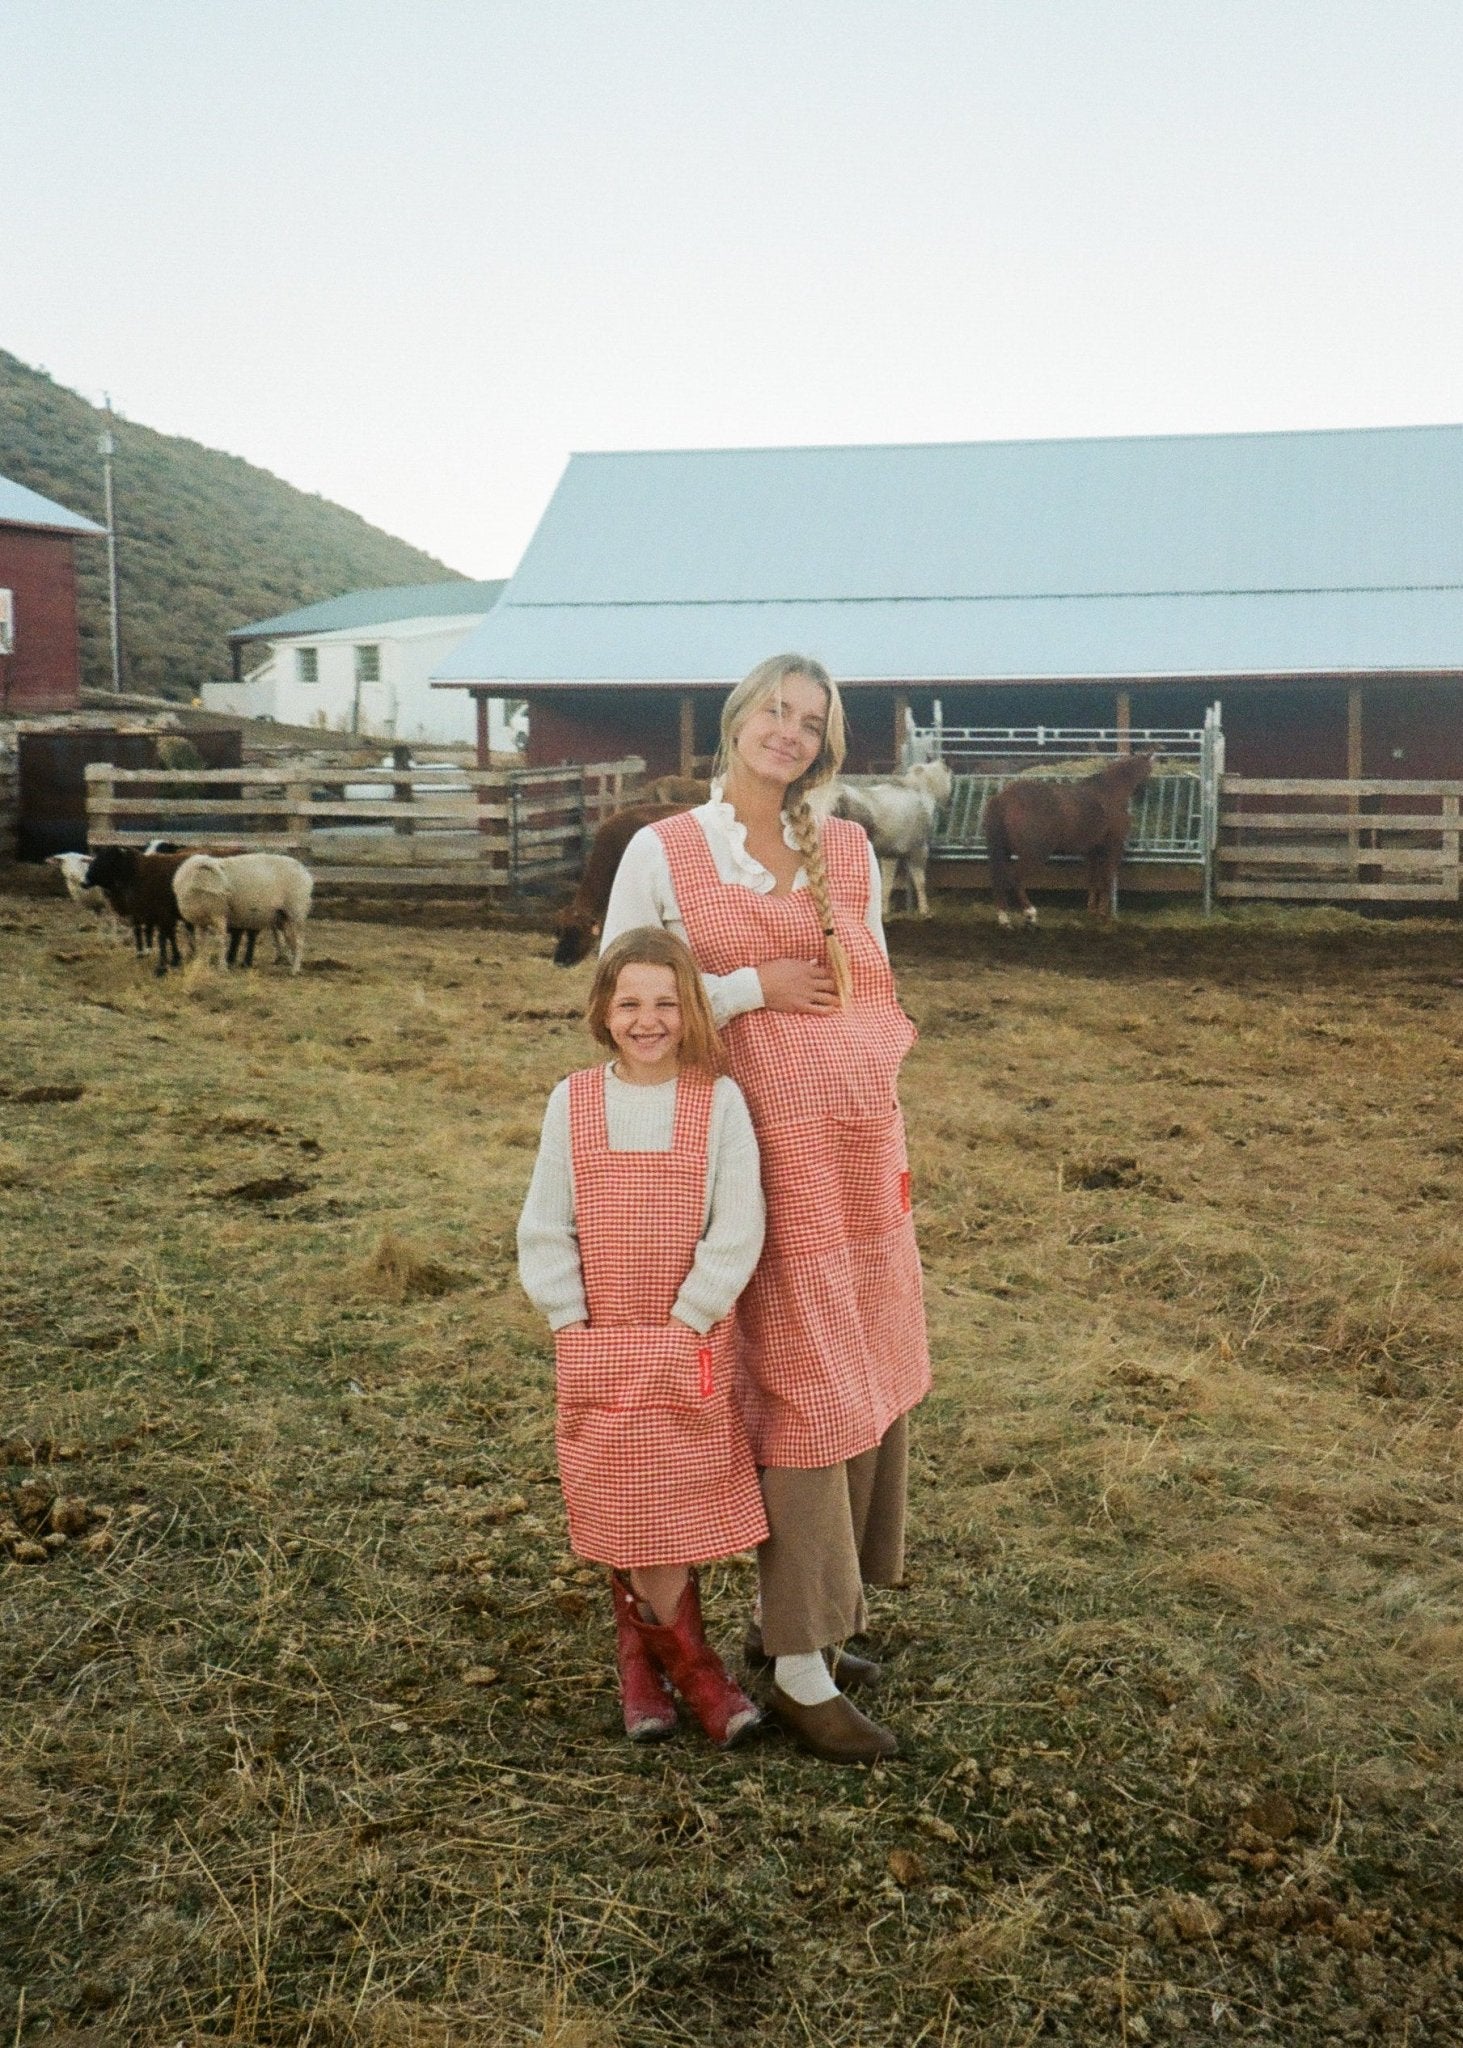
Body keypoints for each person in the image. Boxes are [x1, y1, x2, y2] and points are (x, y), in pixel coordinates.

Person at [601, 654, 931, 1764]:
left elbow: (872, 985)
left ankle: (817, 1620)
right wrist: (749, 990)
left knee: (866, 1358)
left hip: (852, 1147)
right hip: (748, 1155)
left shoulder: (842, 848)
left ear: (825, 745)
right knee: (799, 1372)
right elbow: (622, 991)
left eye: (810, 722)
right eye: (772, 711)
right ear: (737, 718)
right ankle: (793, 1665)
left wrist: (865, 1082)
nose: (786, 732)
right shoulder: (667, 849)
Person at [517, 926, 769, 1748]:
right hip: (598, 1335)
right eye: (629, 1002)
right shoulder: (574, 1100)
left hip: (684, 1336)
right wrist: (569, 1318)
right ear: (602, 1011)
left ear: (690, 1010)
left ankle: (651, 1659)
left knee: (673, 1502)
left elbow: (738, 1225)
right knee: (622, 1500)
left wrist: (688, 1318)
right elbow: (545, 1224)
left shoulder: (715, 1099)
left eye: (665, 1002)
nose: (647, 1019)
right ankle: (683, 1668)